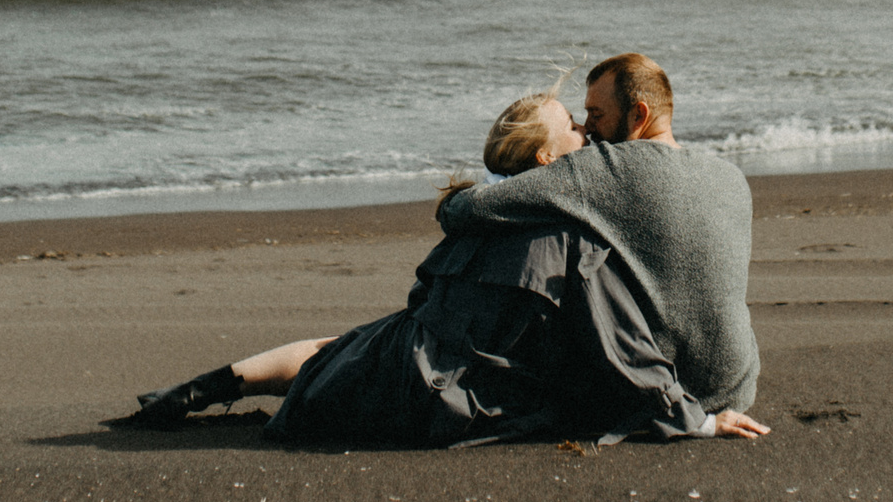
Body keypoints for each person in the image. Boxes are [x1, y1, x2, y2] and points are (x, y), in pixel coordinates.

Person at [110, 85, 770, 445]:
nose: (588, 134)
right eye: (574, 123)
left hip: (372, 369)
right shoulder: (571, 243)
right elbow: (617, 346)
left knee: (331, 350)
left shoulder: (479, 224)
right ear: (548, 160)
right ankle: (197, 396)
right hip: (434, 402)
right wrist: (698, 417)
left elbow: (418, 309)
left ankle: (193, 392)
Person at [432, 54, 759, 421]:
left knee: (554, 238)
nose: (588, 128)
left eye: (597, 114)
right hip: (734, 386)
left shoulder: (606, 167)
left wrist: (455, 199)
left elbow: (469, 210)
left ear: (639, 115)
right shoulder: (732, 179)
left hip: (664, 392)